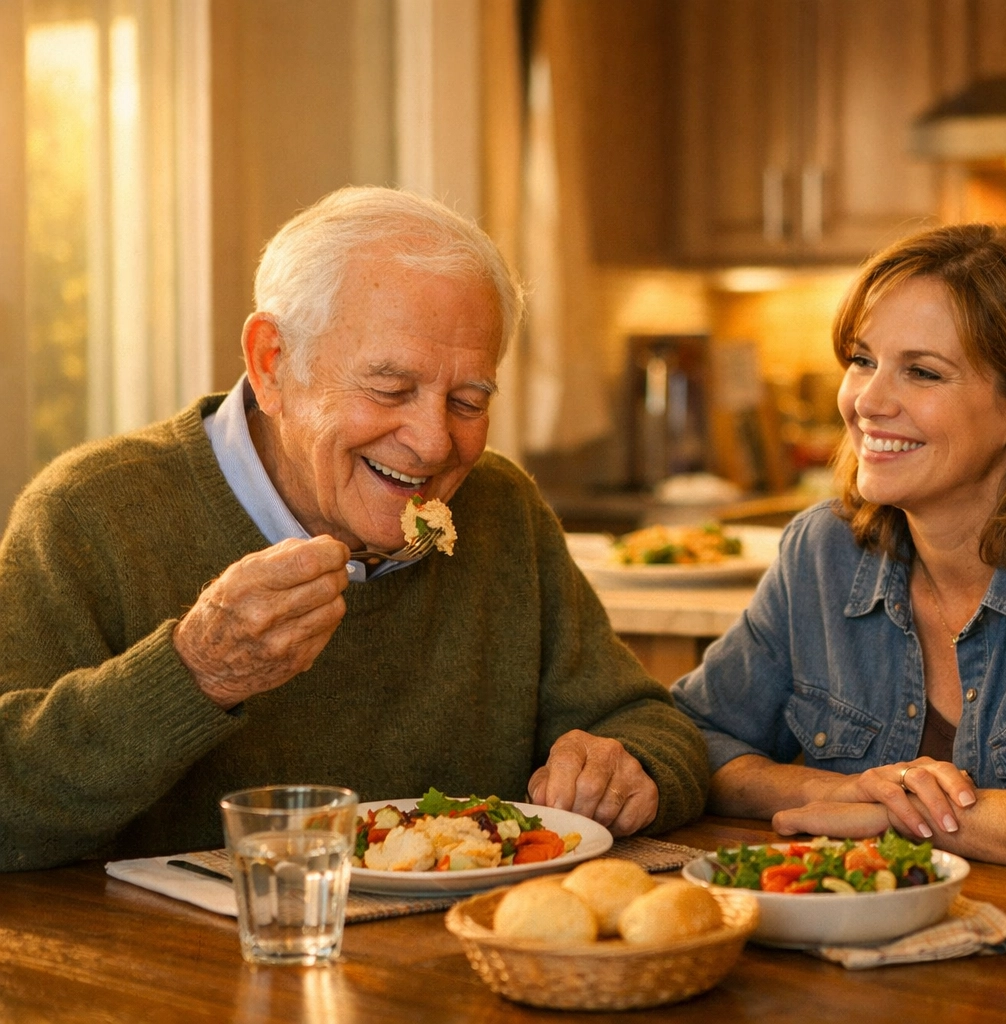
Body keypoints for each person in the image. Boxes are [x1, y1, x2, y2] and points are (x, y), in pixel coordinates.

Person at [0, 187, 708, 872]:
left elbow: (648, 725)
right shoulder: (89, 514)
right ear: (272, 363)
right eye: (390, 389)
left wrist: (629, 767)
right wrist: (198, 671)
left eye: (467, 400)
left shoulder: (499, 508)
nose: (433, 444)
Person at [671, 224, 1006, 880]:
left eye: (923, 372)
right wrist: (826, 793)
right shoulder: (823, 549)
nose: (867, 402)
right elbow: (691, 742)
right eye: (861, 359)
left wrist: (902, 817)